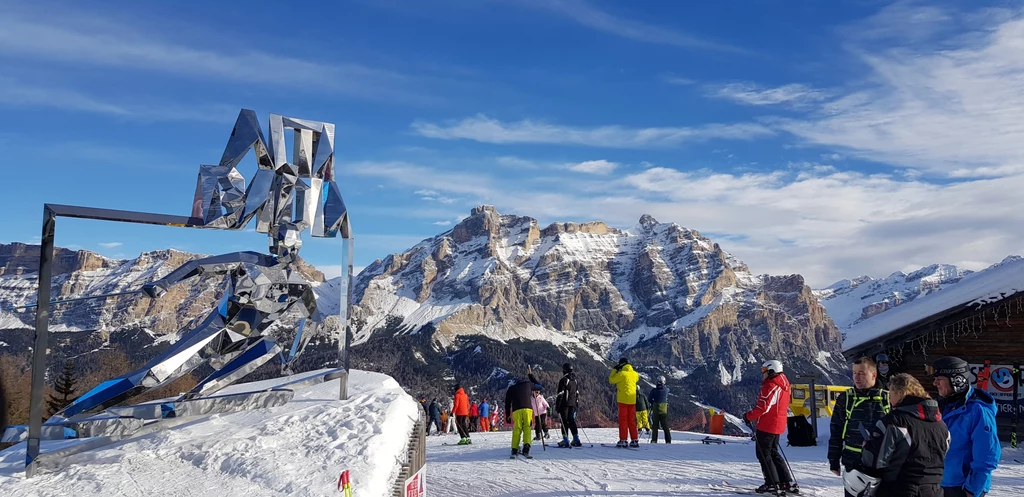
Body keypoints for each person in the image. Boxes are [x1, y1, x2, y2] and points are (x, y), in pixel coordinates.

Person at [856, 373, 949, 497]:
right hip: (934, 490)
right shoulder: (941, 424)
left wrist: (868, 445)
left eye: (891, 393)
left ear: (900, 393)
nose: (889, 398)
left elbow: (876, 461)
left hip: (899, 488)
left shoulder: (894, 421)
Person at [930, 356, 1000, 497]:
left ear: (957, 380)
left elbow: (987, 455)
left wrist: (972, 489)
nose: (934, 383)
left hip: (963, 487)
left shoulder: (977, 411)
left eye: (940, 379)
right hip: (940, 483)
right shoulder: (943, 406)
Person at [829, 356, 890, 497]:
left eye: (862, 373)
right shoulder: (846, 398)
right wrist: (833, 459)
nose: (857, 377)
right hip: (854, 462)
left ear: (874, 375)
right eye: (854, 373)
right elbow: (836, 429)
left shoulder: (887, 398)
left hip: (881, 464)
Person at [744, 360, 797, 496]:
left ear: (771, 371)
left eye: (764, 371)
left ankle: (772, 483)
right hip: (778, 424)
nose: (763, 374)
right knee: (773, 452)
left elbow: (763, 407)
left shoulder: (771, 386)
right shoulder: (784, 384)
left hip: (768, 425)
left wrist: (748, 416)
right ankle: (786, 481)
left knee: (763, 454)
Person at [609, 357, 641, 448]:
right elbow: (637, 378)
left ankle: (623, 440)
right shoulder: (635, 374)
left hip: (623, 400)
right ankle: (634, 440)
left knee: (623, 420)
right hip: (632, 400)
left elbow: (611, 380)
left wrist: (615, 370)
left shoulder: (622, 374)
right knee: (632, 420)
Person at [506, 373, 540, 458]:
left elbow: (507, 403)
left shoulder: (511, 388)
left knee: (517, 429)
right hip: (527, 408)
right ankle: (526, 447)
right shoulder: (528, 384)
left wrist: (507, 415)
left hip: (516, 409)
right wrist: (532, 378)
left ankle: (514, 449)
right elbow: (539, 386)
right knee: (527, 428)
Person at [556, 362, 582, 448]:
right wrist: (576, 405)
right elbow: (577, 393)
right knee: (571, 421)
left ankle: (565, 440)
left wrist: (557, 406)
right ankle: (576, 439)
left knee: (564, 422)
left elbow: (560, 394)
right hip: (573, 404)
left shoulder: (563, 380)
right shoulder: (575, 380)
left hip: (565, 404)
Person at [649, 376, 671, 443]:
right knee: (665, 425)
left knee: (655, 425)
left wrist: (653, 402)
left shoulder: (654, 391)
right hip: (664, 409)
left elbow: (649, 399)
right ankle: (668, 440)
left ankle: (654, 440)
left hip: (656, 409)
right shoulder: (666, 390)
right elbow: (667, 390)